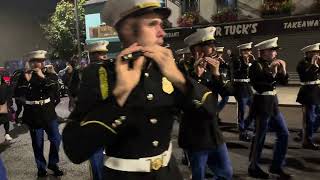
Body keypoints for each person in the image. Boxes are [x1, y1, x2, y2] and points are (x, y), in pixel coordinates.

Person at [62, 0, 218, 179]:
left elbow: (210, 111)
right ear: (127, 29)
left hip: (169, 173)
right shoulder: (101, 75)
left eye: (161, 24)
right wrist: (120, 94)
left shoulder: (167, 68)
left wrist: (178, 78)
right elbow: (75, 150)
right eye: (153, 24)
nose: (162, 32)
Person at [179, 27, 233, 180]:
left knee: (226, 173)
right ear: (196, 48)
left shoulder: (214, 67)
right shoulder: (183, 70)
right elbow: (184, 101)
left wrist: (216, 74)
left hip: (213, 131)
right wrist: (196, 76)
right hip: (195, 133)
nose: (213, 49)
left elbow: (228, 91)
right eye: (209, 45)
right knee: (198, 175)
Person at [15, 50, 64, 177]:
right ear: (31, 63)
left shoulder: (49, 74)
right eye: (38, 61)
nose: (41, 63)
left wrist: (42, 76)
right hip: (33, 113)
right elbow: (18, 94)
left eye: (42, 61)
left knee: (56, 139)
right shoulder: (24, 76)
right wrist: (27, 80)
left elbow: (55, 88)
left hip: (48, 112)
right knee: (37, 143)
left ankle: (53, 163)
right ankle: (41, 167)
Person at [248, 37, 292, 179]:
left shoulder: (271, 63)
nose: (275, 53)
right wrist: (272, 73)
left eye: (275, 50)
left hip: (273, 103)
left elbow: (284, 82)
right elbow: (259, 86)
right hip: (262, 104)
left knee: (284, 133)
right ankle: (253, 166)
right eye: (272, 50)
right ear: (264, 51)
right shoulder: (256, 65)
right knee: (260, 136)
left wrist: (283, 69)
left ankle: (276, 166)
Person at [69, 41, 111, 180]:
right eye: (97, 54)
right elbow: (72, 91)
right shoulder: (80, 72)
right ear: (91, 56)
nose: (101, 57)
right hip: (92, 117)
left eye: (103, 54)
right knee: (95, 153)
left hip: (111, 116)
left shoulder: (110, 68)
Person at [296, 43, 320, 150]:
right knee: (309, 118)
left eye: (317, 52)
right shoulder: (302, 63)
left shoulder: (315, 62)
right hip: (308, 93)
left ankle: (305, 133)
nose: (317, 54)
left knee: (317, 116)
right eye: (315, 52)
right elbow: (308, 75)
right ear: (308, 53)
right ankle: (307, 140)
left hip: (316, 91)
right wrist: (313, 63)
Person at [232, 42, 255, 141]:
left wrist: (251, 63)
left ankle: (246, 125)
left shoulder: (250, 60)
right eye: (246, 51)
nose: (248, 53)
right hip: (240, 88)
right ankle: (242, 132)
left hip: (248, 88)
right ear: (241, 52)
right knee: (241, 111)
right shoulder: (236, 60)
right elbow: (237, 70)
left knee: (254, 108)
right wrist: (246, 63)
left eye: (249, 50)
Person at [215, 47, 231, 122]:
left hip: (221, 84)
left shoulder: (223, 62)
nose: (219, 55)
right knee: (214, 100)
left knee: (225, 98)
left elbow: (228, 69)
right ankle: (215, 117)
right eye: (218, 53)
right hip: (214, 84)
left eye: (220, 53)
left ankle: (215, 112)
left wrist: (223, 62)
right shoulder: (212, 60)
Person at [0, 76, 13, 141]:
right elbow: (2, 99)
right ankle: (7, 134)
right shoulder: (5, 87)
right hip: (4, 107)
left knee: (6, 120)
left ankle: (7, 134)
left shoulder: (3, 86)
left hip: (4, 107)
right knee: (6, 120)